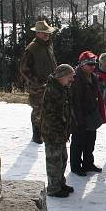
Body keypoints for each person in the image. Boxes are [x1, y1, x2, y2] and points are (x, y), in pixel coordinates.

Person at [19, 20, 57, 144]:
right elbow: (24, 69)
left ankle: (46, 132)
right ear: (37, 33)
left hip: (51, 83)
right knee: (38, 110)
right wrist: (37, 82)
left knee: (49, 109)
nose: (46, 35)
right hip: (37, 87)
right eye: (43, 32)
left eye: (47, 32)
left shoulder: (49, 45)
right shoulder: (31, 48)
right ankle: (37, 135)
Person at [41, 64, 75, 197]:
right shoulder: (52, 90)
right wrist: (60, 127)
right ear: (62, 76)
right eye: (70, 77)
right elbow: (51, 114)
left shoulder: (62, 88)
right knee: (54, 160)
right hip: (52, 132)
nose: (72, 79)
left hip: (61, 131)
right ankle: (53, 188)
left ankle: (60, 183)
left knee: (62, 158)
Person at [70, 51, 105, 176]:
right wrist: (78, 119)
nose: (92, 66)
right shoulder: (75, 78)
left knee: (90, 141)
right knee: (78, 141)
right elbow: (75, 101)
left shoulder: (93, 77)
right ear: (82, 64)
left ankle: (88, 163)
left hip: (91, 114)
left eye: (94, 64)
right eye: (89, 64)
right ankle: (75, 166)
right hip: (80, 115)